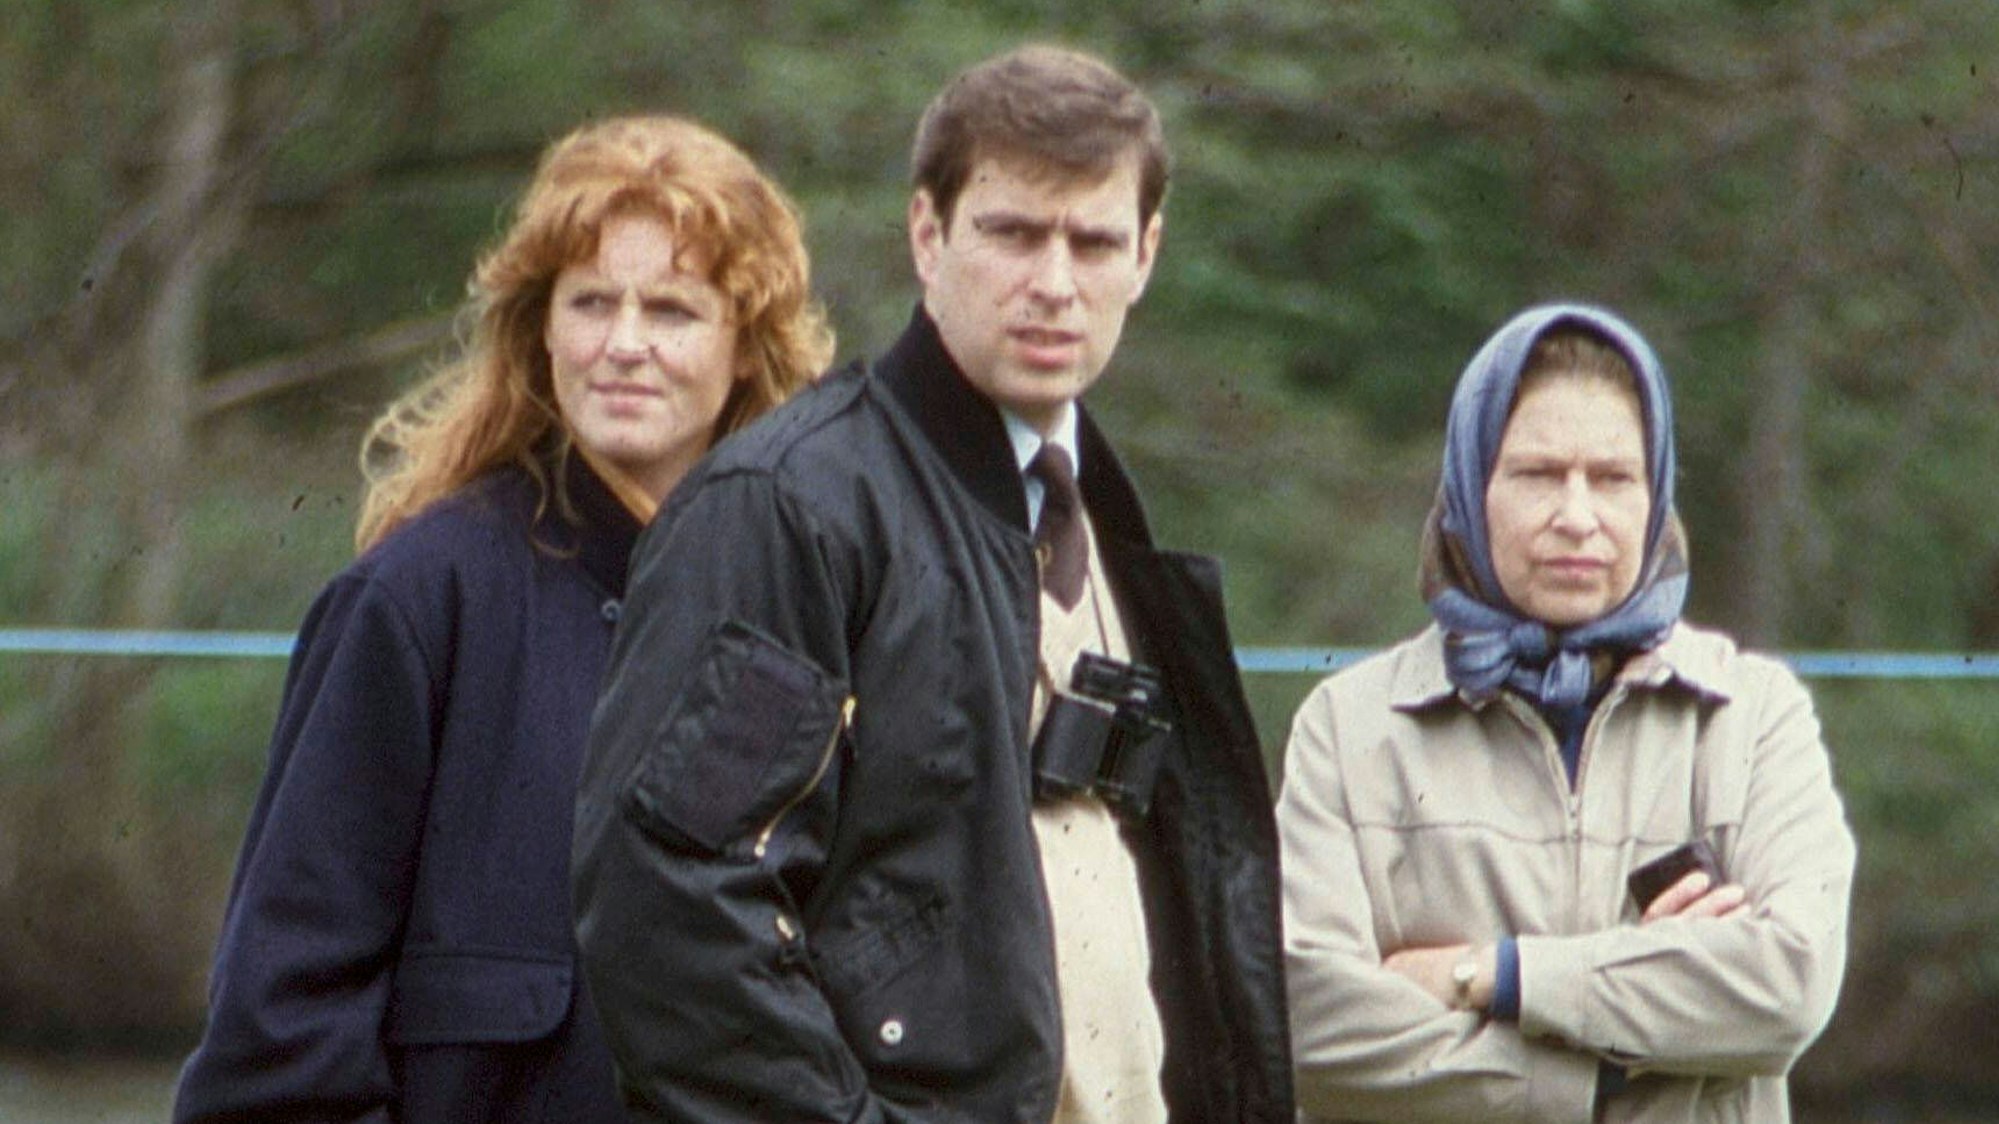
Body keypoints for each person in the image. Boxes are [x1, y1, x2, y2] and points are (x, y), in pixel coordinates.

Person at [572, 44, 1293, 1123]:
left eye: (1093, 241)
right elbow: (672, 900)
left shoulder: (1098, 512)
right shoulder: (790, 508)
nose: (1054, 281)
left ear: (1144, 255)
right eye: (1011, 232)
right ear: (927, 233)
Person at [172, 115, 832, 1124]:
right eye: (592, 301)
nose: (624, 344)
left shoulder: (816, 611)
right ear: (541, 327)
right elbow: (279, 1044)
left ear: (746, 347)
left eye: (672, 309)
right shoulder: (416, 598)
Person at [1276, 303, 1856, 1122]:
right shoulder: (1350, 727)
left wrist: (1494, 976)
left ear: (1654, 495)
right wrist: (1598, 1070)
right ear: (1471, 487)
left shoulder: (1750, 715)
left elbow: (1789, 980)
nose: (1577, 517)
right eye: (1538, 474)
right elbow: (1302, 1019)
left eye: (1613, 478)